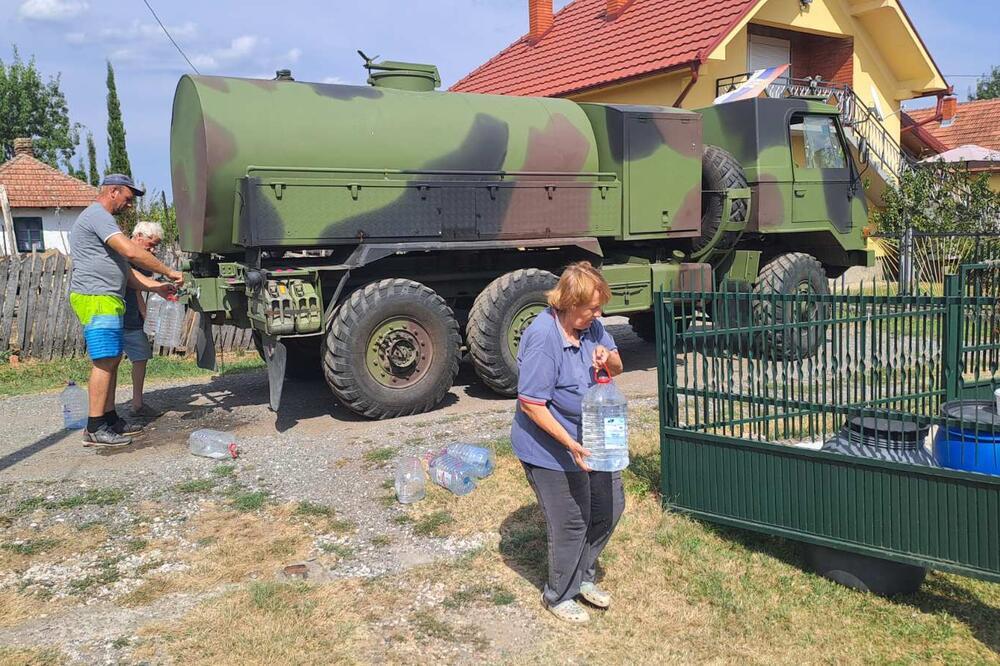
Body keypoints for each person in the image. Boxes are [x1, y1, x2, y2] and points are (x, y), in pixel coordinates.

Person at [511, 261, 625, 624]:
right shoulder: (544, 336)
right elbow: (531, 404)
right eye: (591, 307)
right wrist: (569, 445)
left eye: (599, 307)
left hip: (590, 438)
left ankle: (583, 577)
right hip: (549, 446)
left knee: (610, 508)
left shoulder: (592, 327)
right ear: (568, 303)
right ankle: (559, 594)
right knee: (572, 521)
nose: (598, 313)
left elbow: (618, 366)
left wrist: (607, 360)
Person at [68, 175, 183, 447]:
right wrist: (167, 270)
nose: (130, 206)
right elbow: (131, 253)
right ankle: (95, 427)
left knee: (113, 359)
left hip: (108, 297)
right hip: (96, 297)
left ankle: (110, 419)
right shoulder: (97, 215)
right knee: (105, 360)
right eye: (128, 199)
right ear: (113, 191)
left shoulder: (103, 220)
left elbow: (126, 272)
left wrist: (156, 287)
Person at [123, 221, 168, 419]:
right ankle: (104, 411)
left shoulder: (138, 257)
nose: (153, 248)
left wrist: (143, 310)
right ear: (139, 236)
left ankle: (137, 404)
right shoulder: (123, 252)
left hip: (131, 313)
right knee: (109, 362)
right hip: (115, 313)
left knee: (140, 357)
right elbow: (137, 279)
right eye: (150, 244)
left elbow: (137, 285)